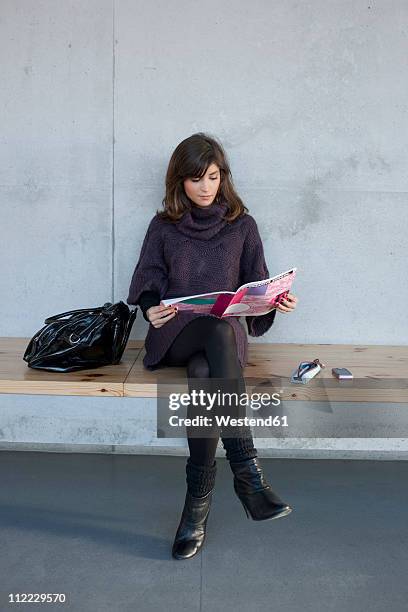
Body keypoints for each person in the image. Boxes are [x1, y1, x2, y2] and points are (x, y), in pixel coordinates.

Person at [127, 133, 298, 560]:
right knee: (213, 334)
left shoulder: (243, 225)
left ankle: (195, 508)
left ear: (224, 178)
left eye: (213, 177)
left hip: (223, 345)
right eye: (196, 178)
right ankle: (248, 473)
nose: (206, 187)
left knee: (208, 366)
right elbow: (147, 282)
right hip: (177, 333)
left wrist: (274, 300)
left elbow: (257, 286)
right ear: (179, 181)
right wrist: (150, 310)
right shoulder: (163, 227)